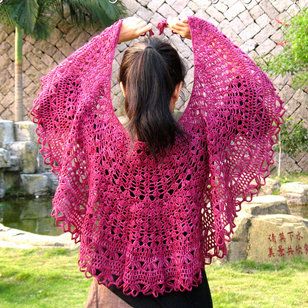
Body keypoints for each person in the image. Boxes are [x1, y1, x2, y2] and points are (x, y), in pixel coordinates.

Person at [30, 14, 285, 308]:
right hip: (187, 297)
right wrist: (208, 38)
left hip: (115, 296)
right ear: (177, 89)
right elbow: (258, 100)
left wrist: (109, 38)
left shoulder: (97, 136)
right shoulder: (202, 138)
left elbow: (51, 97)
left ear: (125, 89)